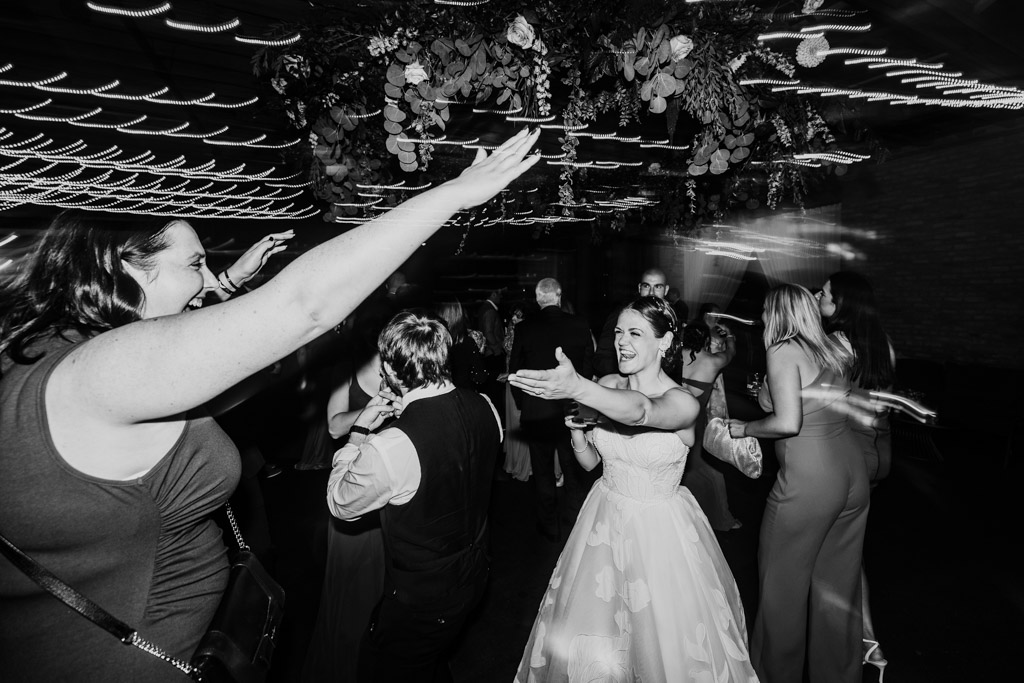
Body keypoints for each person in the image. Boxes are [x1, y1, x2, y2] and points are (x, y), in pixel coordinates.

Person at [0, 128, 540, 681]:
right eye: (196, 265)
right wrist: (451, 195)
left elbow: (249, 369)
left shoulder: (73, 354)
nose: (209, 280)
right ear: (126, 266)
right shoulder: (92, 372)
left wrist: (227, 286)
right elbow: (305, 306)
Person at [508, 296, 757, 682]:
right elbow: (593, 464)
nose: (622, 341)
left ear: (665, 342)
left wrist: (578, 387)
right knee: (596, 641)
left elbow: (641, 411)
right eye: (620, 332)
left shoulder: (683, 403)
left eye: (636, 333)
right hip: (603, 520)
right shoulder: (607, 384)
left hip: (660, 536)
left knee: (661, 646)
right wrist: (577, 436)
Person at [325, 310, 502, 682]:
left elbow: (341, 503)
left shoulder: (391, 446)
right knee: (432, 661)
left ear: (389, 368)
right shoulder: (486, 407)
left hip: (421, 599)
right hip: (474, 575)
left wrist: (358, 435)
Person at [726, 284, 868, 683]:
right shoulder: (838, 344)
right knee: (836, 587)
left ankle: (774, 676)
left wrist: (744, 427)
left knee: (781, 589)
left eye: (768, 311)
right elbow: (820, 400)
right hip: (850, 471)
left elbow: (789, 423)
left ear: (778, 313)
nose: (764, 320)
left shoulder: (783, 350)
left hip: (810, 480)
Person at [819, 271, 895, 680]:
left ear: (842, 303)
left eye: (825, 293)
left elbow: (814, 400)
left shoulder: (835, 345)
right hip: (875, 450)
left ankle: (862, 643)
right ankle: (868, 645)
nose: (818, 296)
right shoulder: (881, 344)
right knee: (850, 551)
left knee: (837, 556)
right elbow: (881, 406)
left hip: (844, 452)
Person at [508, 278, 594, 542]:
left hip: (537, 413)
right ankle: (575, 522)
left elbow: (515, 374)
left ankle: (549, 527)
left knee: (543, 472)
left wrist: (525, 406)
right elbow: (588, 369)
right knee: (573, 471)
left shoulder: (525, 328)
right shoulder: (579, 324)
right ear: (559, 295)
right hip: (571, 408)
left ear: (538, 298)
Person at [678, 320, 743, 531]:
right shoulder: (712, 362)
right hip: (694, 426)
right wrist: (730, 336)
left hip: (670, 420)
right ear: (706, 340)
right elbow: (731, 353)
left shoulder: (672, 358)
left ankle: (683, 517)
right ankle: (721, 519)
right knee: (710, 471)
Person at [593, 266, 670, 377]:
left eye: (657, 287)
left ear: (666, 290)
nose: (651, 292)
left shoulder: (669, 318)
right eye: (646, 286)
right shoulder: (624, 315)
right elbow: (601, 358)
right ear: (639, 288)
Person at [435, 298, 487, 389]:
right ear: (459, 315)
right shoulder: (467, 341)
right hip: (464, 394)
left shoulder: (434, 342)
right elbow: (480, 377)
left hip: (441, 393)